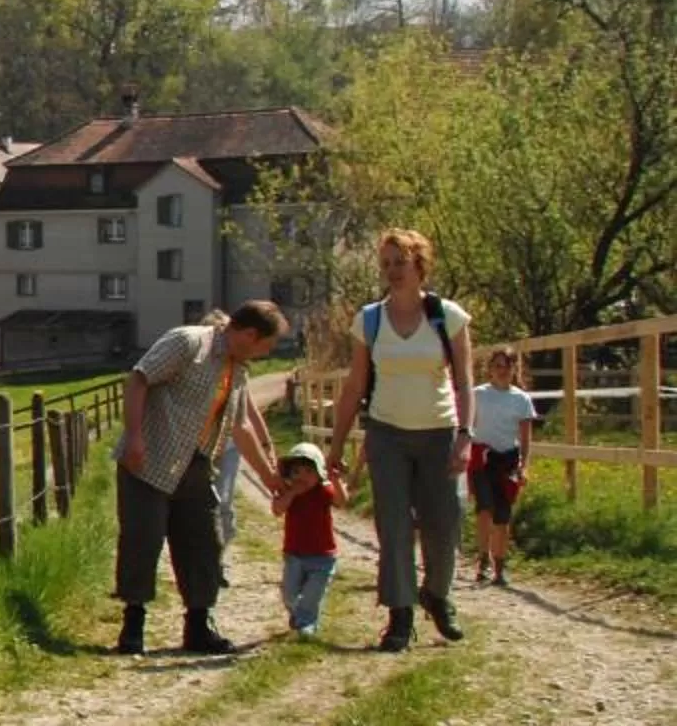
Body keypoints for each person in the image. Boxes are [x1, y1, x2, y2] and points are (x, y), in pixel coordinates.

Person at [327, 229, 476, 651]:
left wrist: (466, 435)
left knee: (444, 523)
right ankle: (400, 615)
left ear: (419, 266)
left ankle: (437, 594)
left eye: (401, 262)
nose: (393, 271)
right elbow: (355, 386)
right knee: (393, 526)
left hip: (439, 431)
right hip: (387, 432)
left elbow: (465, 382)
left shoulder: (447, 316)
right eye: (387, 263)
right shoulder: (370, 320)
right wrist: (336, 446)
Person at [112, 301, 288, 655]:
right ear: (250, 335)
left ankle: (198, 625)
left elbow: (240, 426)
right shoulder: (189, 343)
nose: (265, 354)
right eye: (265, 346)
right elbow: (139, 378)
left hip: (196, 465)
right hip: (150, 459)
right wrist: (134, 436)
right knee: (142, 540)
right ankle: (133, 625)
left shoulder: (237, 369)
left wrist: (271, 478)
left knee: (203, 543)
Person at [466, 347, 538, 587]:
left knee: (503, 516)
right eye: (498, 366)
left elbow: (525, 439)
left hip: (507, 459)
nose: (502, 370)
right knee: (484, 507)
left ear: (514, 369)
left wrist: (524, 466)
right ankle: (483, 560)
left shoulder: (521, 399)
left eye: (507, 366)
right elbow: (465, 426)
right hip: (482, 457)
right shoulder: (478, 395)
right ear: (490, 369)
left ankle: (499, 566)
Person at [268, 442, 343, 639]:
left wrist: (336, 481)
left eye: (309, 471)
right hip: (294, 554)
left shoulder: (323, 491)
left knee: (313, 593)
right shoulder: (288, 492)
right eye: (296, 472)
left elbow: (341, 502)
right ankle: (300, 615)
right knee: (289, 594)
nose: (302, 477)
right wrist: (292, 493)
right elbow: (277, 510)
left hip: (323, 555)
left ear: (319, 474)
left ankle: (307, 622)